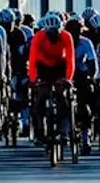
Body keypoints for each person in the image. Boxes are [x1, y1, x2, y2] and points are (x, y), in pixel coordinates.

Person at [27, 14, 76, 146]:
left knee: (63, 98)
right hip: (43, 66)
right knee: (40, 98)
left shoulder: (66, 36)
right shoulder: (39, 37)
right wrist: (33, 79)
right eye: (50, 33)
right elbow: (32, 59)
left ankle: (64, 131)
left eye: (56, 33)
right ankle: (40, 129)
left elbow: (71, 59)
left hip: (60, 65)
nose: (53, 36)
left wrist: (68, 79)